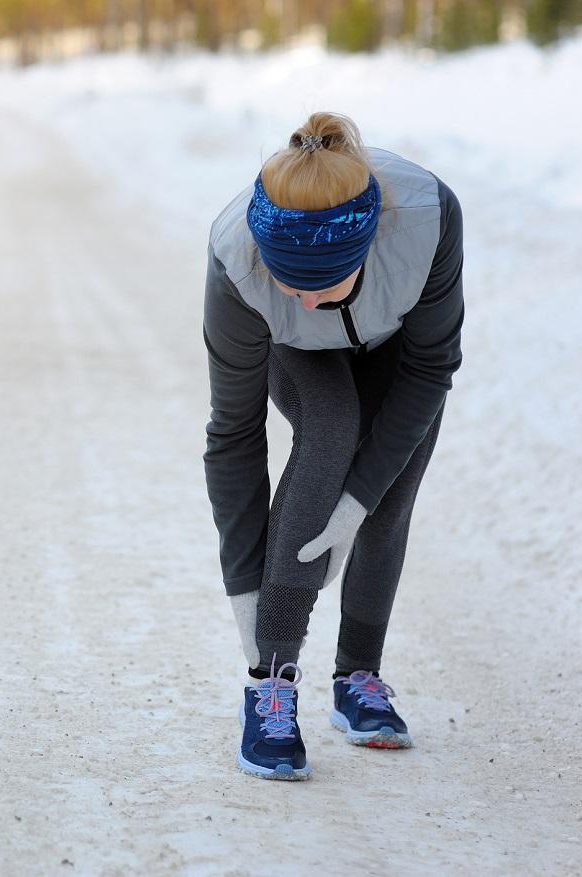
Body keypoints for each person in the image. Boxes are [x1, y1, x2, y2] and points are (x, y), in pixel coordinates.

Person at [202, 111, 464, 780]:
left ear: (368, 248)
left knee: (392, 484)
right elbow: (233, 436)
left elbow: (431, 368)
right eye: (292, 286)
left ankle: (358, 678)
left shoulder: (426, 218)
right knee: (330, 427)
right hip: (298, 360)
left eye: (324, 285)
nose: (308, 301)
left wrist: (359, 501)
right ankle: (271, 682)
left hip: (399, 351)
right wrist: (246, 599)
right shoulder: (237, 260)